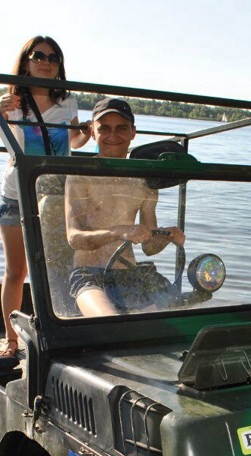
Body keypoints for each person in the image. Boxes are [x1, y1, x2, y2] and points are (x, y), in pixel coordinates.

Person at [0, 35, 91, 356]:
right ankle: (12, 342)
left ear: (59, 67)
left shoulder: (66, 102)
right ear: (25, 61)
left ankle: (58, 336)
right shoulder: (11, 101)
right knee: (17, 271)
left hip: (55, 197)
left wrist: (84, 132)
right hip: (17, 196)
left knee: (57, 266)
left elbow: (74, 143)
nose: (45, 62)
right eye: (38, 55)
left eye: (53, 58)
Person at [64, 98, 185, 316]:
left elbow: (149, 247)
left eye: (121, 128)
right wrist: (119, 231)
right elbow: (74, 238)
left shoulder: (144, 181)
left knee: (177, 316)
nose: (113, 136)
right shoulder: (80, 175)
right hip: (88, 275)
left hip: (130, 275)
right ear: (92, 132)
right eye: (104, 129)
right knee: (110, 321)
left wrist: (167, 236)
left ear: (133, 133)